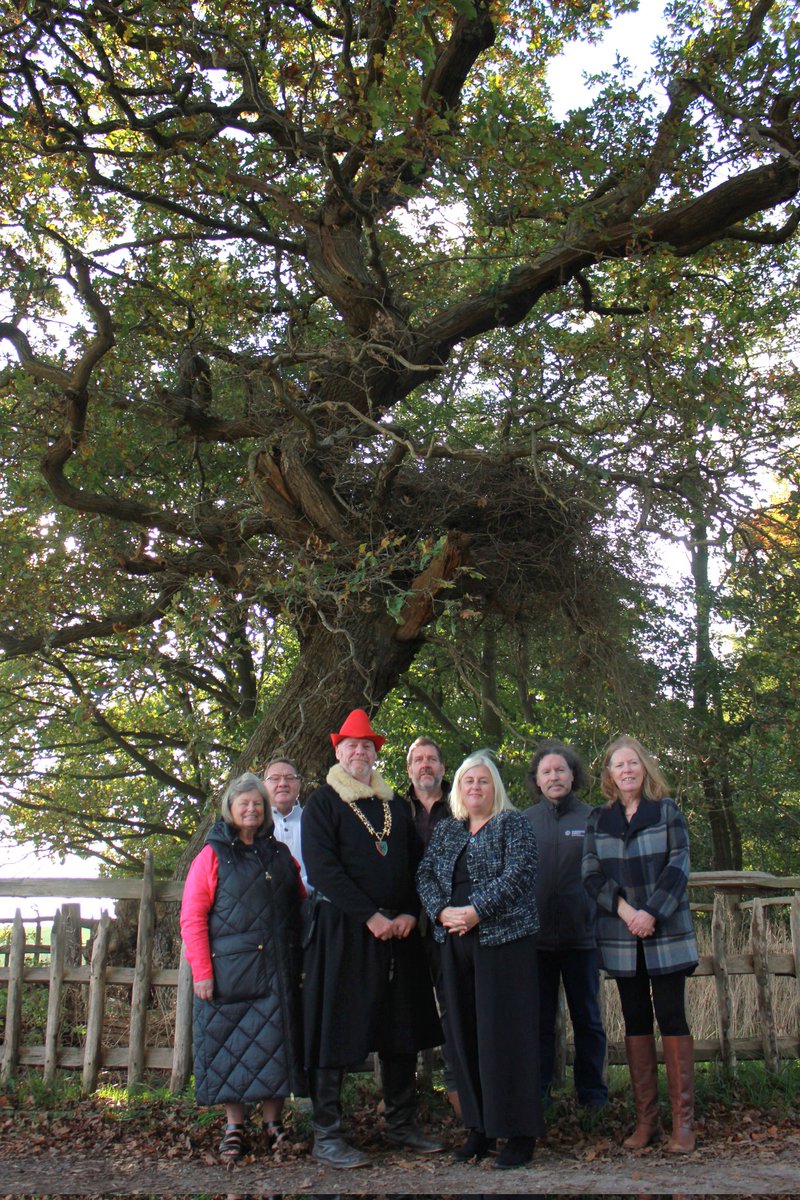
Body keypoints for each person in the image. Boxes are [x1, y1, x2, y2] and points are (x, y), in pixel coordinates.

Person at [301, 708, 443, 1169]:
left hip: (399, 934)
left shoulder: (394, 804)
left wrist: (409, 913)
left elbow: (417, 865)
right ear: (338, 752)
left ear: (375, 753)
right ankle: (327, 1135)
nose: (359, 752)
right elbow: (322, 869)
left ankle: (401, 1125)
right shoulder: (323, 803)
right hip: (345, 932)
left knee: (401, 1029)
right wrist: (369, 916)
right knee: (335, 1029)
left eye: (366, 746)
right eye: (351, 746)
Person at [416, 751, 545, 1170]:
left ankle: (519, 1133)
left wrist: (476, 911)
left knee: (506, 1035)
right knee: (464, 1034)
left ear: (495, 788)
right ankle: (480, 1127)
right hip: (454, 940)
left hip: (503, 942)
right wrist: (441, 911)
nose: (475, 787)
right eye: (468, 781)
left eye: (483, 781)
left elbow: (519, 873)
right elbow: (425, 875)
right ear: (458, 789)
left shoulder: (513, 824)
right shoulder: (448, 830)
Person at [180, 772, 306, 1161]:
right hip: (229, 974)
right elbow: (192, 917)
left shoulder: (280, 854)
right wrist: (202, 972)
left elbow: (301, 903)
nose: (251, 809)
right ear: (230, 808)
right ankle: (234, 1127)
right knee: (229, 1049)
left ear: (266, 810)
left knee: (274, 1047)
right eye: (244, 803)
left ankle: (273, 1124)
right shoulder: (211, 855)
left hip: (277, 969)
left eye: (257, 804)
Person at [582, 735, 698, 1154]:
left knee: (671, 1016)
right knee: (635, 1020)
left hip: (665, 933)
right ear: (610, 774)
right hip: (621, 934)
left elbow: (679, 865)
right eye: (619, 765)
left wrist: (650, 913)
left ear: (644, 768)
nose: (627, 770)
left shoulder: (666, 811)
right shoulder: (599, 819)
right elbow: (590, 874)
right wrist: (627, 912)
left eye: (633, 763)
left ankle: (683, 1124)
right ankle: (646, 1121)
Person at [525, 740, 607, 1109]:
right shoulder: (524, 821)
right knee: (538, 1023)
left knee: (587, 1019)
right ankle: (538, 1095)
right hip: (536, 941)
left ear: (573, 776)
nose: (554, 777)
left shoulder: (593, 818)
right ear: (537, 780)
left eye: (560, 770)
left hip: (582, 939)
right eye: (547, 771)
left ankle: (592, 1097)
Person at [405, 735, 460, 1116]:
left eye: (431, 759)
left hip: (452, 923)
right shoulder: (393, 809)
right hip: (408, 924)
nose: (425, 765)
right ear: (409, 769)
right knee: (405, 1007)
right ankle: (404, 1094)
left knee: (453, 1007)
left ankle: (459, 1088)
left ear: (442, 767)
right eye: (418, 759)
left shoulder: (460, 806)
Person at [263, 756, 311, 892]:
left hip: (313, 900)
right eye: (275, 778)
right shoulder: (254, 826)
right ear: (263, 786)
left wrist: (300, 889)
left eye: (290, 778)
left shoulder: (315, 821)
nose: (283, 783)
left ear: (299, 784)